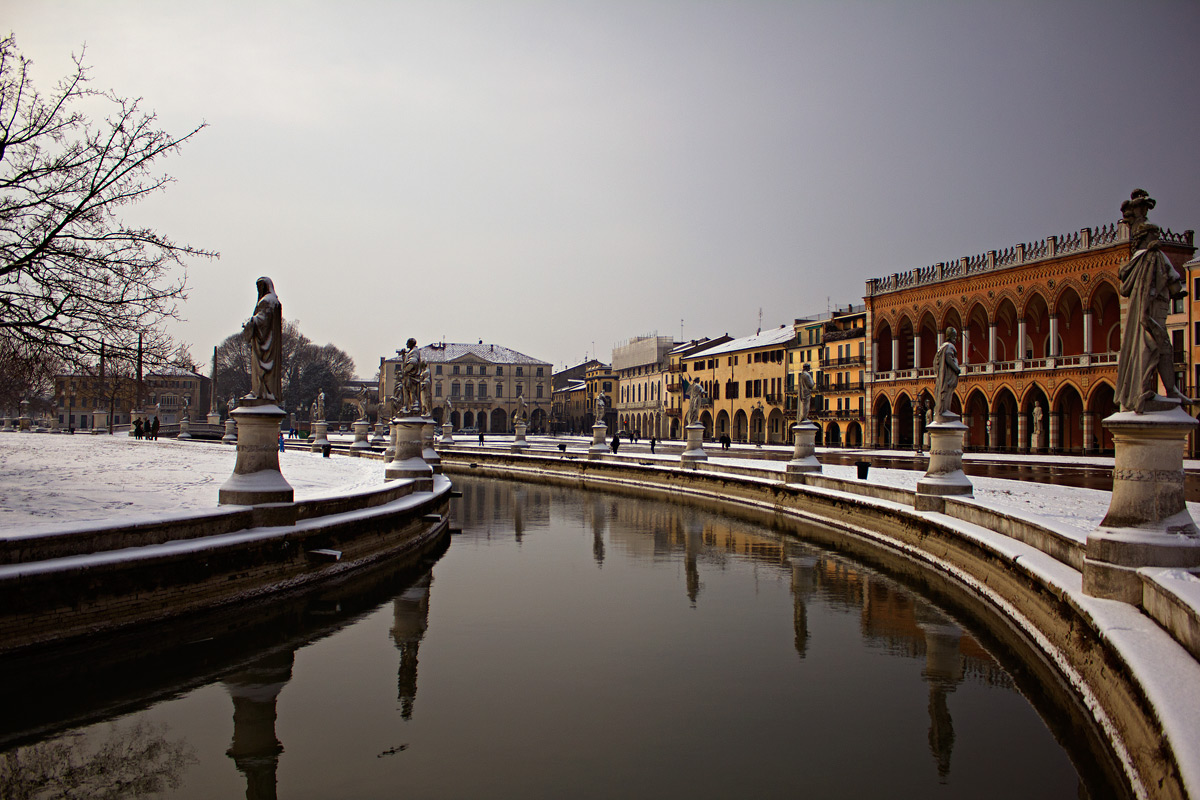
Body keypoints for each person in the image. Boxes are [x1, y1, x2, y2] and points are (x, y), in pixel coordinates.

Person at [1114, 189, 1192, 412]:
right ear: (1145, 238)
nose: (1157, 239)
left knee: (1163, 349)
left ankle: (1170, 389)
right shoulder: (1147, 259)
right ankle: (1147, 391)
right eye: (1153, 236)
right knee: (1153, 349)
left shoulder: (1153, 257)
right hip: (1147, 315)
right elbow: (1143, 287)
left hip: (1153, 312)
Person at [243, 277, 283, 404]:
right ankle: (267, 392)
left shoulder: (265, 302)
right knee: (269, 371)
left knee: (259, 369)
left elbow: (262, 321)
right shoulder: (275, 302)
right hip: (272, 346)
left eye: (260, 287)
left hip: (263, 345)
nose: (258, 290)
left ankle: (260, 391)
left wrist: (250, 323)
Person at [933, 327, 961, 421]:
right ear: (952, 337)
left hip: (941, 377)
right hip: (947, 377)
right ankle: (944, 411)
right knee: (947, 394)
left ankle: (942, 411)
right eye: (955, 336)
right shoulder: (949, 347)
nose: (956, 339)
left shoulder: (941, 348)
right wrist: (956, 369)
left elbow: (935, 363)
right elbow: (949, 358)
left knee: (942, 394)